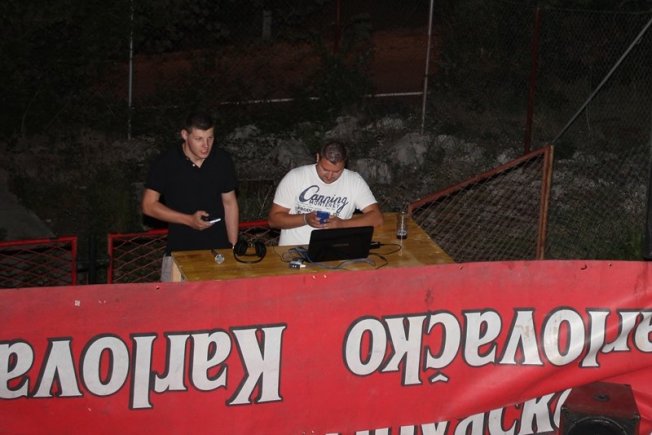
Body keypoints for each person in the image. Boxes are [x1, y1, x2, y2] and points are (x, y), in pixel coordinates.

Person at [142, 111, 239, 281]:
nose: (206, 145)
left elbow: (230, 203)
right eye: (199, 139)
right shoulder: (166, 162)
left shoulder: (222, 160)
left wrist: (233, 247)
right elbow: (148, 205)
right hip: (180, 254)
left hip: (219, 255)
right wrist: (189, 220)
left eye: (210, 138)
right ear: (185, 135)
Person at [268, 141, 383, 246]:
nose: (329, 176)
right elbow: (273, 220)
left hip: (334, 251)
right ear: (318, 157)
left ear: (345, 163)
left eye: (337, 172)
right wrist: (305, 218)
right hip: (293, 251)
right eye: (325, 169)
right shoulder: (296, 177)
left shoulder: (354, 181)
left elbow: (376, 218)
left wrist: (342, 224)